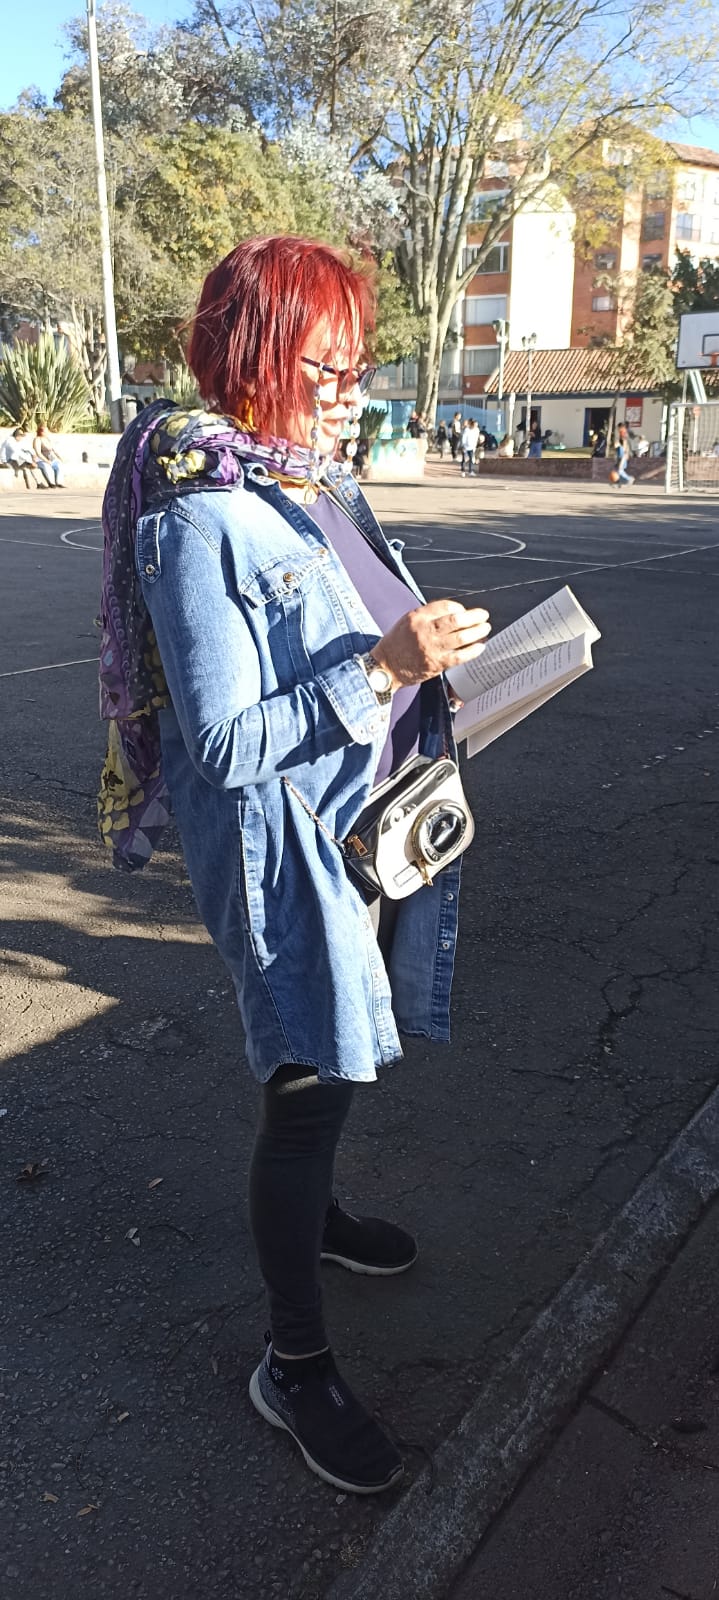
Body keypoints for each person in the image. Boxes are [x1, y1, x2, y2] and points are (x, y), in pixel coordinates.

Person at [97, 235, 491, 1497]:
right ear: (257, 355)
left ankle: (317, 1216)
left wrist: (441, 662)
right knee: (307, 1074)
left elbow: (366, 654)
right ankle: (294, 1361)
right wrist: (386, 666)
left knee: (328, 1066)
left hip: (370, 830)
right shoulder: (196, 516)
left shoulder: (315, 487)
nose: (348, 387)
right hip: (287, 859)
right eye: (326, 362)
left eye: (356, 362)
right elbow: (219, 745)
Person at [613, 422, 635, 487]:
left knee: (619, 470)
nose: (617, 429)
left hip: (622, 454)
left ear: (620, 427)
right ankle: (618, 483)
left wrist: (625, 454)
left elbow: (624, 444)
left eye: (618, 428)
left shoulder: (623, 433)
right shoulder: (622, 433)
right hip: (621, 454)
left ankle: (629, 479)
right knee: (617, 469)